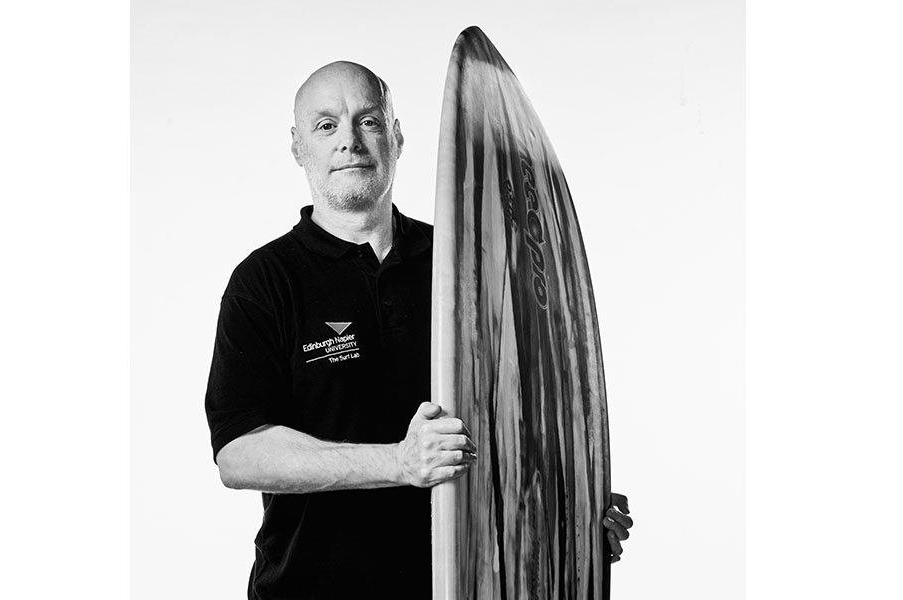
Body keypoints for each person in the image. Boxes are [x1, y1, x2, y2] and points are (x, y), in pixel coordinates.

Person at [205, 61, 632, 599]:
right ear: (298, 147)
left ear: (397, 135)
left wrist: (569, 517)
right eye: (326, 125)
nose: (349, 141)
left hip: (462, 587)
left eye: (368, 121)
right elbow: (239, 453)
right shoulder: (265, 281)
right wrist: (399, 462)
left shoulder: (467, 265)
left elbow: (519, 413)